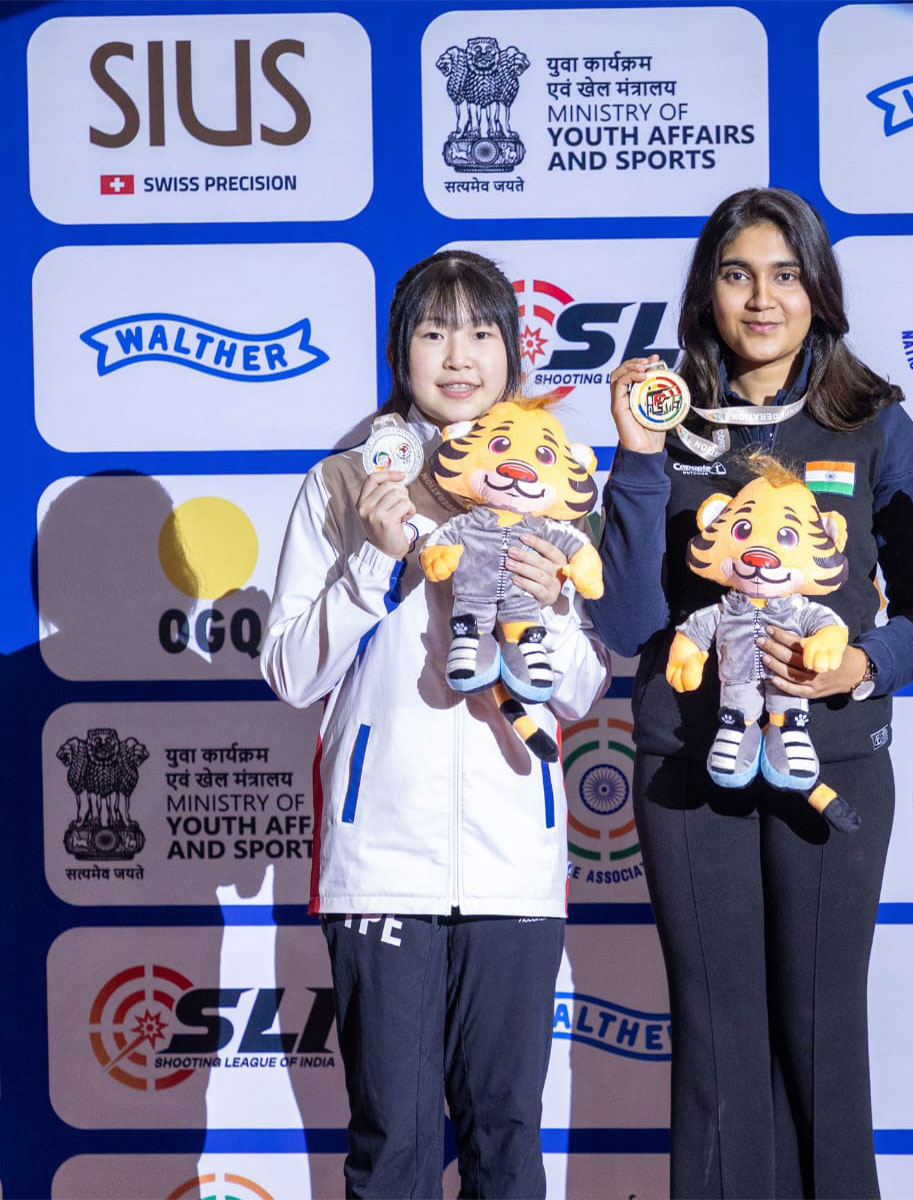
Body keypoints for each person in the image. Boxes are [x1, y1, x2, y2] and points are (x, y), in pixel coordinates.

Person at [590, 186, 913, 1198]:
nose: (762, 299)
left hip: (829, 767)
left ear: (818, 291)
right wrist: (634, 454)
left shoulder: (873, 423)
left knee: (821, 1034)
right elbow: (621, 624)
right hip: (685, 774)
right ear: (705, 292)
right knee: (714, 1044)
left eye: (785, 275)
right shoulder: (660, 419)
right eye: (737, 274)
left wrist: (861, 666)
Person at [261, 250, 610, 1198]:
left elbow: (578, 689)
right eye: (433, 331)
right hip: (383, 865)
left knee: (507, 1144)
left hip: (514, 868)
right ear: (398, 350)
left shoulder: (553, 479)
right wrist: (374, 564)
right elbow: (292, 673)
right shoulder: (341, 486)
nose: (458, 356)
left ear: (513, 354)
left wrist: (544, 607)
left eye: (482, 332)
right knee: (395, 1147)